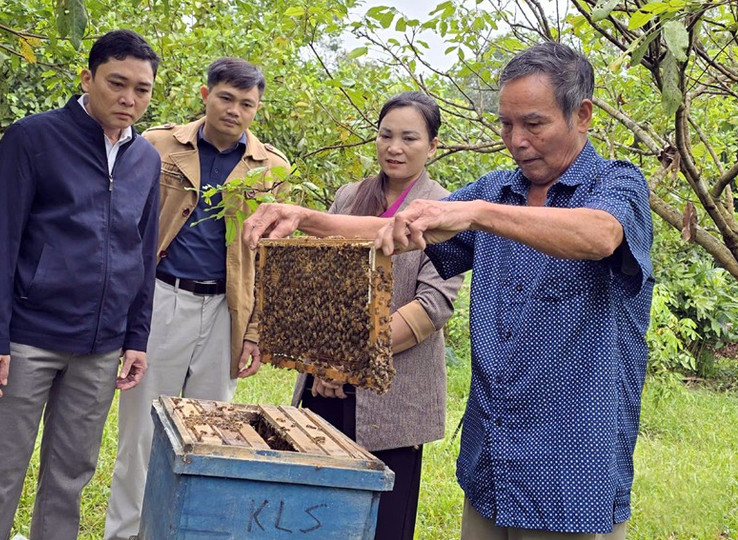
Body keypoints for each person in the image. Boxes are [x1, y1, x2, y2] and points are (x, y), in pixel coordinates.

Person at [243, 42, 653, 539]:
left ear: (582, 114)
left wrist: (477, 213)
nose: (516, 140)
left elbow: (600, 235)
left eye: (534, 124)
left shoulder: (617, 183)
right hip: (493, 460)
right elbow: (397, 230)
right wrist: (305, 218)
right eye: (506, 124)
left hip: (570, 470)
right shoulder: (500, 188)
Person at [0, 30, 161, 540]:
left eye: (142, 89)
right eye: (117, 83)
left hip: (100, 347)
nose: (128, 99)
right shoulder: (34, 138)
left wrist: (136, 337)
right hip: (28, 339)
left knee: (70, 478)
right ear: (87, 78)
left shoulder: (147, 160)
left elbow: (143, 253)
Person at [104, 57, 290, 540]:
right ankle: (125, 534)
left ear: (257, 109)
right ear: (205, 96)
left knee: (210, 432)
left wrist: (254, 332)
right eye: (226, 98)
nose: (235, 110)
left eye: (247, 103)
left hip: (226, 312)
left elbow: (270, 260)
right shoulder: (158, 144)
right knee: (141, 433)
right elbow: (126, 226)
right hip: (162, 300)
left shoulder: (271, 168)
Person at [290, 91, 463, 540]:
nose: (395, 147)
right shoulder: (349, 197)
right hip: (323, 381)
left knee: (385, 520)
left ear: (433, 145)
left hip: (394, 391)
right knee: (317, 512)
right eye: (386, 135)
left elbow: (432, 306)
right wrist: (323, 364)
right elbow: (316, 282)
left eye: (409, 137)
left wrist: (348, 361)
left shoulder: (444, 208)